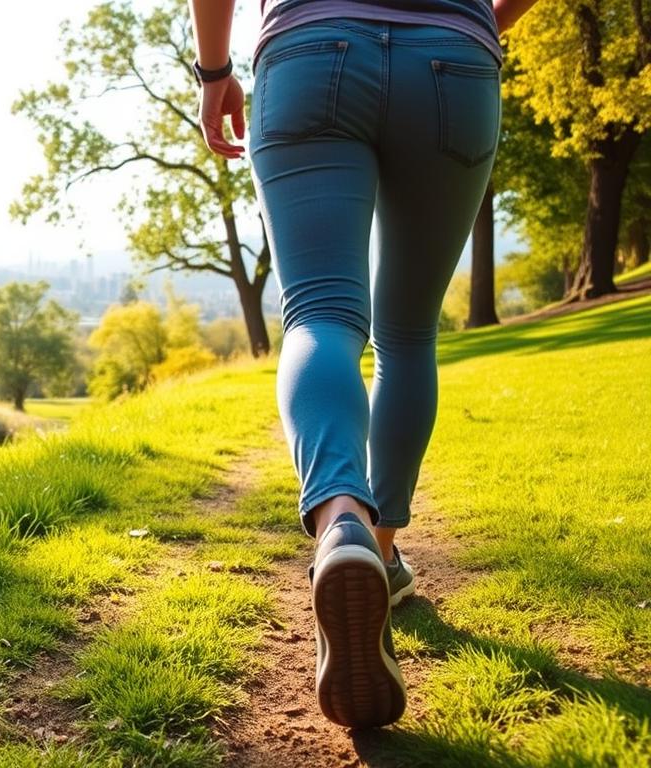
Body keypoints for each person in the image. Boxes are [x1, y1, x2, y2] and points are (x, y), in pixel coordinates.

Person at [188, 0, 539, 729]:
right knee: (407, 333)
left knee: (320, 314)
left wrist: (214, 68)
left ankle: (341, 516)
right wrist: (476, 20)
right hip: (453, 58)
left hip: (310, 47)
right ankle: (380, 552)